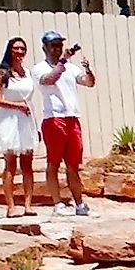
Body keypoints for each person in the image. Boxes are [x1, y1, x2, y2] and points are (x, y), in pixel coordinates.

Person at [36, 30, 96, 218]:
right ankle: (57, 203)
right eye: (53, 45)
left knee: (73, 165)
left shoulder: (70, 67)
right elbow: (49, 80)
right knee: (53, 163)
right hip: (54, 118)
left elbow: (88, 83)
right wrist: (62, 62)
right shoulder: (40, 68)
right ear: (45, 48)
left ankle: (79, 203)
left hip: (72, 118)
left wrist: (87, 70)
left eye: (59, 45)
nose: (57, 49)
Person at [0, 36, 39, 215]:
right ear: (10, 50)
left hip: (26, 119)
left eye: (22, 49)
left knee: (27, 163)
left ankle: (28, 204)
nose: (19, 52)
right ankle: (10, 206)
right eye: (16, 48)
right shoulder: (1, 72)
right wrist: (16, 106)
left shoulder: (27, 72)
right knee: (10, 164)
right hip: (9, 118)